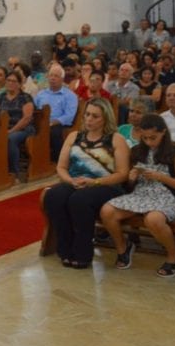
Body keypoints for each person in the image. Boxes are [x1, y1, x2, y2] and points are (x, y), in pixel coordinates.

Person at [100, 114, 175, 278]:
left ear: (163, 132)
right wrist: (131, 178)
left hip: (165, 196)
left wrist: (161, 177)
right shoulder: (137, 151)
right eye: (145, 138)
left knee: (153, 219)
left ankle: (174, 256)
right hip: (140, 194)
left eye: (153, 138)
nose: (149, 142)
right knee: (107, 211)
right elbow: (129, 186)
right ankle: (123, 248)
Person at [42, 99, 129, 269]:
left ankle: (83, 252)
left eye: (95, 116)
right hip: (76, 182)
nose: (89, 119)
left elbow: (122, 174)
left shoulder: (116, 139)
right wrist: (70, 180)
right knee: (54, 196)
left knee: (79, 200)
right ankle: (65, 249)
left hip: (106, 185)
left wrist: (95, 181)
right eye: (87, 114)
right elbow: (61, 167)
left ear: (105, 118)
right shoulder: (74, 136)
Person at [35, 64, 79, 163]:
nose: (53, 78)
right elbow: (35, 109)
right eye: (51, 75)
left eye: (56, 76)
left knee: (54, 132)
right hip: (40, 122)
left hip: (59, 124)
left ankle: (57, 161)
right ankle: (37, 159)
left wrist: (53, 122)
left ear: (62, 79)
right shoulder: (41, 94)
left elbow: (69, 116)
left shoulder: (70, 95)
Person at [0, 71, 35, 176]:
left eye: (14, 81)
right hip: (3, 128)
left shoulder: (25, 97)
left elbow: (27, 118)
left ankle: (13, 172)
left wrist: (11, 131)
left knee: (10, 139)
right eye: (8, 80)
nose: (10, 83)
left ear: (20, 84)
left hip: (23, 128)